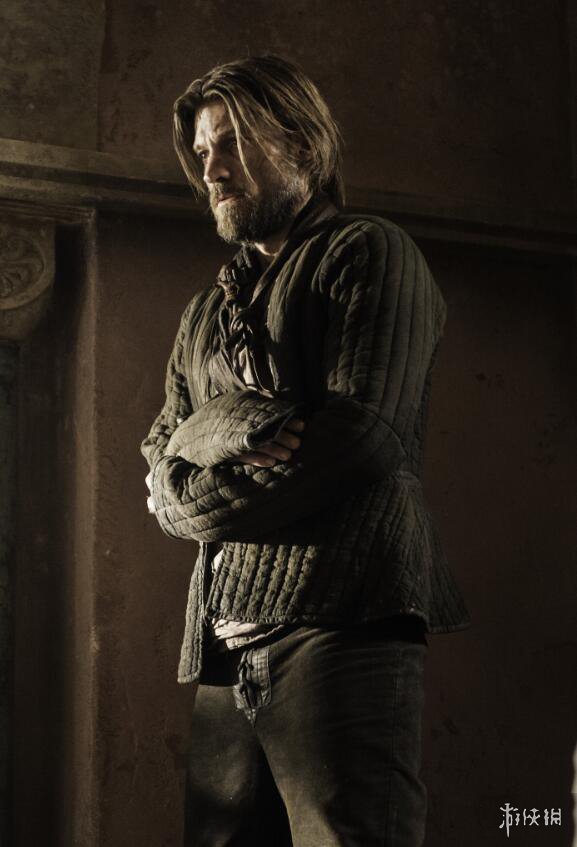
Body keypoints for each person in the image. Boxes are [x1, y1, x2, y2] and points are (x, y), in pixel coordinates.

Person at [141, 54, 469, 847]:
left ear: (299, 143)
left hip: (340, 623)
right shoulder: (202, 313)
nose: (211, 169)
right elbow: (159, 452)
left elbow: (360, 438)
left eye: (230, 142)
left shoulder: (368, 251)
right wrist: (229, 428)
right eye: (202, 150)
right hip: (223, 646)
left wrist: (189, 488)